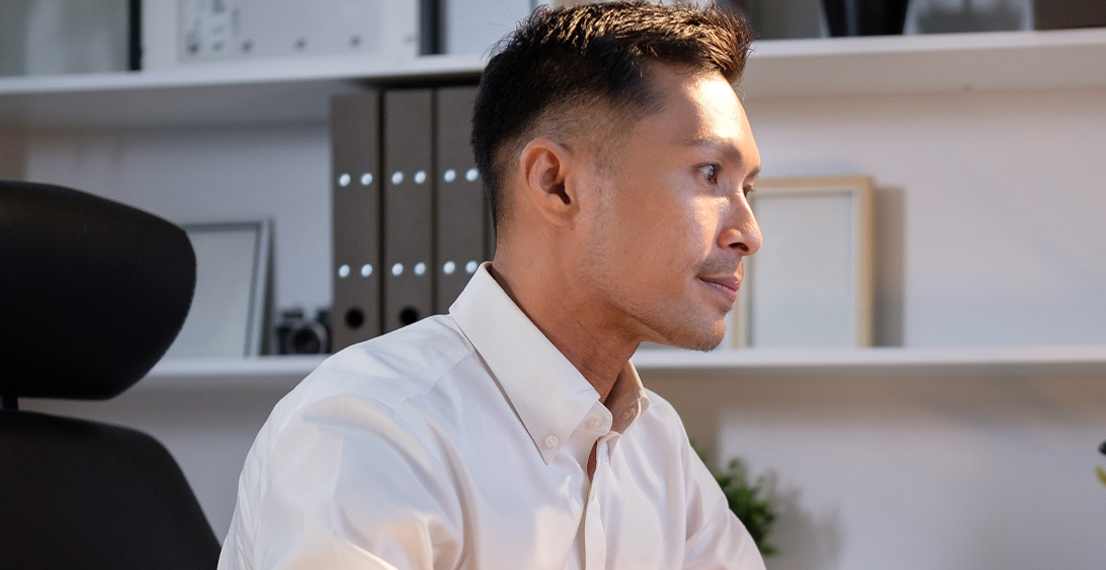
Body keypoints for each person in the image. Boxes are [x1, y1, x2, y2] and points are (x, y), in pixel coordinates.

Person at [217, 2, 767, 568]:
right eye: (709, 174)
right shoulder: (371, 429)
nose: (749, 233)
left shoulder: (656, 447)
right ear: (556, 185)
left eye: (747, 188)